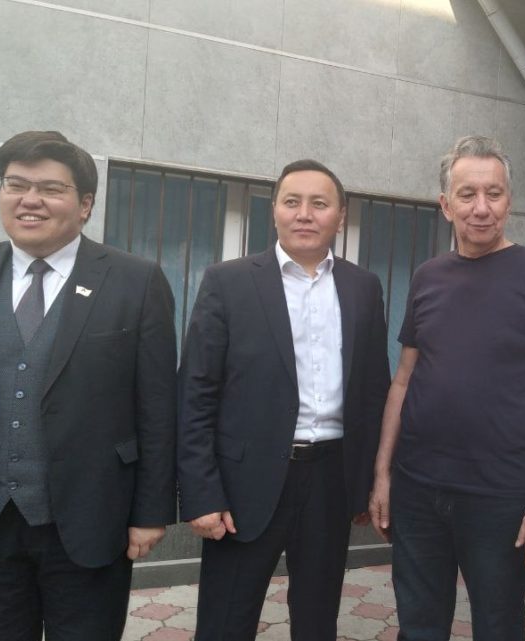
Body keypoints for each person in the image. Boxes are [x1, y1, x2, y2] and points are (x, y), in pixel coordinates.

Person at [0, 130, 178, 641]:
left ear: (85, 204)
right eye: (16, 184)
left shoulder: (136, 281)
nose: (30, 199)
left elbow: (157, 408)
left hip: (92, 519)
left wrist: (152, 512)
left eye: (50, 188)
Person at [368, 135, 525, 640]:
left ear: (509, 200)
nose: (481, 208)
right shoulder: (428, 277)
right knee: (418, 625)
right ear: (446, 205)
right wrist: (383, 475)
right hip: (418, 488)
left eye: (494, 193)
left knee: (498, 626)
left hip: (501, 494)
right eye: (467, 195)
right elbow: (403, 381)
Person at [177, 159, 391, 640]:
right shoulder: (229, 281)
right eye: (292, 202)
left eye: (319, 203)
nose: (305, 214)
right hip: (243, 481)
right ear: (273, 210)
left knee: (317, 620)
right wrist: (202, 493)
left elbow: (373, 390)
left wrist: (366, 480)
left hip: (330, 480)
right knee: (225, 621)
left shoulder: (362, 287)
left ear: (341, 215)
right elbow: (196, 393)